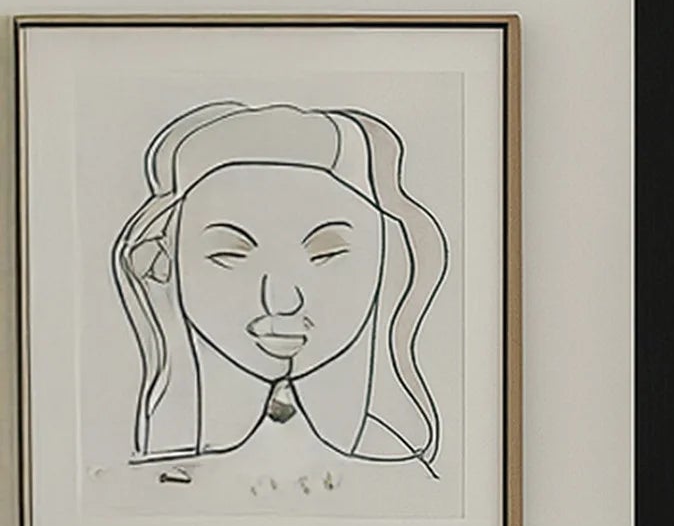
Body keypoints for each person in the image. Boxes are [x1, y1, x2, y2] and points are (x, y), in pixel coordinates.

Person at [110, 100, 447, 470]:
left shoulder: (402, 472)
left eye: (328, 254)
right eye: (230, 255)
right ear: (165, 263)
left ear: (385, 262)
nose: (282, 299)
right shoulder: (141, 478)